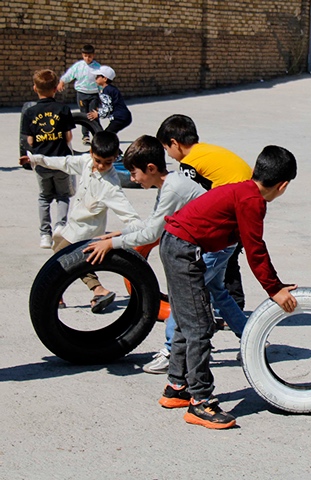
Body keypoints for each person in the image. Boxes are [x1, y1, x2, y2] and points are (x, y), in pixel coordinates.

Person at [158, 145, 298, 429]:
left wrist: (275, 283)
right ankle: (201, 403)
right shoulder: (253, 200)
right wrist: (274, 289)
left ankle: (176, 387)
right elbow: (254, 247)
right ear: (283, 186)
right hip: (184, 250)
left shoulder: (244, 190)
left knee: (188, 323)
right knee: (199, 326)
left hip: (175, 244)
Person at [82, 136, 248, 373]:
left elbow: (151, 233)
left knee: (183, 296)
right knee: (218, 293)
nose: (132, 179)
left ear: (150, 169)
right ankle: (252, 339)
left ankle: (171, 351)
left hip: (216, 245)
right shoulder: (169, 184)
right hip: (220, 242)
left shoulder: (173, 189)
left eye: (134, 173)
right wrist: (121, 232)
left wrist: (113, 245)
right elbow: (153, 222)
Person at [20, 131, 142, 313]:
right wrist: (36, 159)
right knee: (59, 252)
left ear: (116, 157)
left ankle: (94, 290)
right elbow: (64, 162)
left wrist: (119, 235)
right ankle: (91, 292)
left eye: (107, 162)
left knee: (63, 256)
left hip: (87, 232)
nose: (101, 166)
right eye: (98, 160)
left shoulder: (110, 187)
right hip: (73, 226)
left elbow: (133, 219)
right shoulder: (86, 162)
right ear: (91, 152)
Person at [156, 114, 251, 313]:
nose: (169, 155)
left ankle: (223, 307)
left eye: (166, 149)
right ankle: (228, 306)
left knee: (218, 261)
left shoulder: (189, 163)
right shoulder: (208, 151)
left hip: (231, 213)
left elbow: (194, 198)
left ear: (175, 143)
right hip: (247, 206)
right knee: (227, 261)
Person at [21, 69, 76, 249]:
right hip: (61, 161)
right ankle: (60, 226)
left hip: (41, 162)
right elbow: (68, 137)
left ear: (35, 88)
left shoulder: (30, 112)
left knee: (44, 197)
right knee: (63, 195)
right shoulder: (63, 109)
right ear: (55, 89)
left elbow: (29, 140)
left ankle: (44, 234)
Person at [57, 44, 101, 145]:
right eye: (85, 56)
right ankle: (85, 136)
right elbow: (70, 74)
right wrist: (62, 82)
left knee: (93, 115)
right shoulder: (78, 66)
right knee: (84, 115)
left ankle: (97, 135)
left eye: (89, 56)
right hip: (82, 94)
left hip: (94, 94)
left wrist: (102, 92)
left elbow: (102, 80)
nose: (87, 58)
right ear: (82, 55)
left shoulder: (97, 67)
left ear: (93, 56)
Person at [87, 66, 132, 134]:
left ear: (105, 78)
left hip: (119, 118)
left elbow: (108, 109)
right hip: (123, 117)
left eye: (98, 76)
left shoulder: (106, 91)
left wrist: (98, 114)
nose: (96, 78)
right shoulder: (110, 89)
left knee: (107, 134)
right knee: (110, 133)